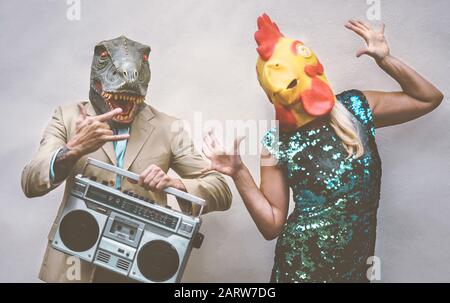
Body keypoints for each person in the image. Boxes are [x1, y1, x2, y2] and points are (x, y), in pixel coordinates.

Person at [202, 14, 443, 282]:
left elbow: (427, 98)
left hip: (354, 272)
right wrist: (238, 173)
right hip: (299, 269)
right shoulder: (276, 142)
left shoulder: (356, 108)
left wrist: (385, 59)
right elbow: (271, 224)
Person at [21, 36, 232, 283]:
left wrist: (178, 185)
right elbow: (30, 182)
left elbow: (222, 190)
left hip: (143, 266)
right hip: (74, 260)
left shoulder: (168, 128)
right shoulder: (67, 117)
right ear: (97, 84)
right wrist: (74, 148)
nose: (123, 101)